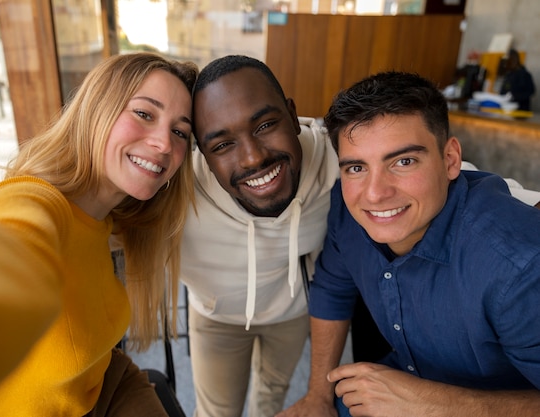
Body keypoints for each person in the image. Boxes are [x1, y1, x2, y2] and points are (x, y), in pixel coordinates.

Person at [0, 52, 198, 417]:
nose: (164, 143)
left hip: (106, 382)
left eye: (180, 132)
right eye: (144, 114)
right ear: (97, 110)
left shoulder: (109, 222)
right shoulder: (30, 200)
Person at [280, 71, 540, 417]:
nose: (375, 194)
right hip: (404, 379)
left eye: (403, 161)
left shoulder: (519, 268)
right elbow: (333, 290)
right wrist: (317, 396)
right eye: (356, 167)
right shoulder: (348, 210)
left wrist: (429, 403)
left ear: (450, 160)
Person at [180, 55, 340, 417]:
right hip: (216, 318)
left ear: (292, 115)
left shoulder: (335, 158)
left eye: (266, 124)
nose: (253, 158)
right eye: (222, 145)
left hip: (293, 311)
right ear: (203, 155)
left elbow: (435, 173)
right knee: (216, 412)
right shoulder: (179, 193)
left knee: (272, 397)